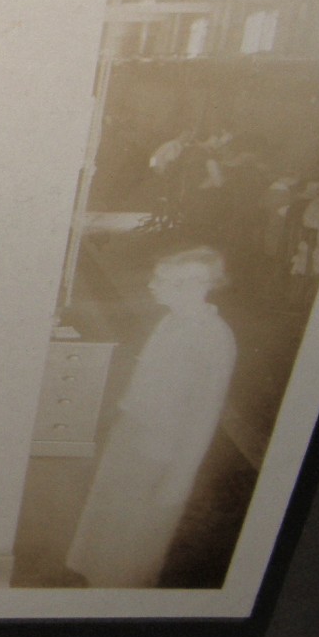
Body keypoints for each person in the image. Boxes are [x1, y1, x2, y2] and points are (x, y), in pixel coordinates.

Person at [66, 247, 238, 588]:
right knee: (108, 530)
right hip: (132, 439)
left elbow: (204, 416)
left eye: (162, 279)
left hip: (161, 453)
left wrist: (180, 476)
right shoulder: (171, 321)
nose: (151, 284)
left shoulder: (214, 338)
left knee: (136, 542)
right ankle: (95, 589)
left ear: (196, 285)